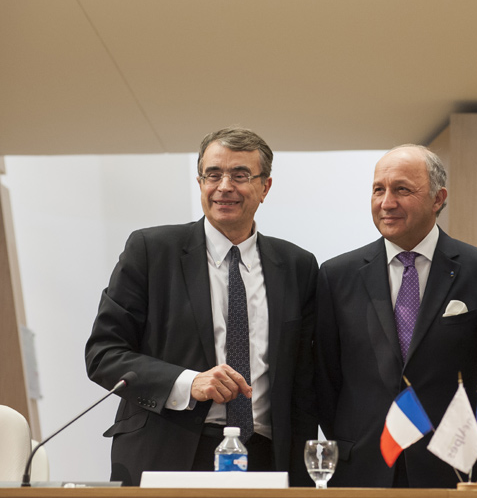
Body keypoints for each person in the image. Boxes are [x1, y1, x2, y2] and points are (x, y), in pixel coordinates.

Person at [85, 127, 318, 486]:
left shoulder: (298, 266)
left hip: (267, 459)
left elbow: (305, 379)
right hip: (166, 453)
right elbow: (104, 353)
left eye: (240, 175)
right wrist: (188, 382)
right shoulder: (151, 251)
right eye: (213, 174)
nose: (224, 186)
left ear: (265, 187)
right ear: (200, 183)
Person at [314, 144, 477, 488]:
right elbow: (324, 378)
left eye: (402, 189)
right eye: (378, 190)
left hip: (454, 468)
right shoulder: (336, 275)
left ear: (437, 198)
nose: (386, 202)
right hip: (363, 466)